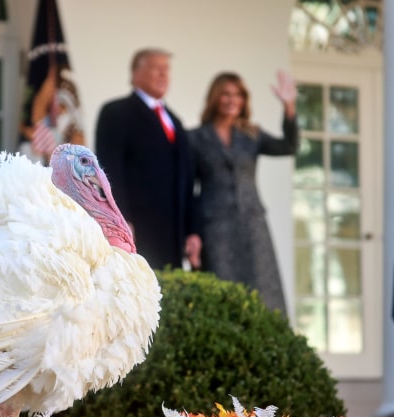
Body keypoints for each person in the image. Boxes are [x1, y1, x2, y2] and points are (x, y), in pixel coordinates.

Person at [188, 70, 298, 313]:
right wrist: (192, 232)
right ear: (215, 97)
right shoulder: (195, 138)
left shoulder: (252, 135)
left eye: (238, 95)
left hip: (252, 224)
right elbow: (189, 190)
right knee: (222, 293)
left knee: (263, 291)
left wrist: (289, 106)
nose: (232, 100)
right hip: (215, 226)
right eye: (226, 94)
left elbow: (289, 146)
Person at [95, 48, 201, 270]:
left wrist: (192, 230)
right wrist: (120, 220)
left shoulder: (175, 121)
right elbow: (109, 169)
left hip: (173, 234)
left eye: (166, 69)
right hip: (137, 229)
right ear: (135, 74)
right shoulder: (116, 113)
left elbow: (187, 179)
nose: (163, 74)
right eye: (155, 68)